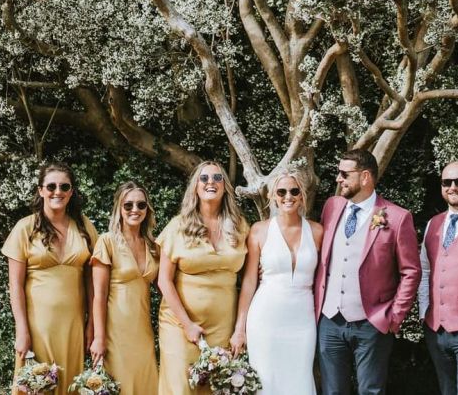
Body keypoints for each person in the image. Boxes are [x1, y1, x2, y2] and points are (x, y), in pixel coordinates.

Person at [314, 149, 421, 395]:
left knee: (371, 391)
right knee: (332, 391)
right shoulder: (332, 207)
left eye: (344, 174)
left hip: (371, 322)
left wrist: (394, 317)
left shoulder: (397, 217)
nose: (338, 179)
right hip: (330, 320)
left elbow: (411, 271)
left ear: (364, 177)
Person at [2, 163, 98, 395]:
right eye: (51, 186)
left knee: (69, 384)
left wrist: (92, 324)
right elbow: (15, 285)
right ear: (41, 190)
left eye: (64, 186)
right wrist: (21, 330)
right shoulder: (25, 228)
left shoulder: (84, 227)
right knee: (36, 386)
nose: (58, 191)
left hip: (73, 326)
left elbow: (93, 280)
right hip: (37, 326)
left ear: (71, 191)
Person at [156, 160, 249, 395]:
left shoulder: (239, 226)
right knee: (180, 387)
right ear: (195, 187)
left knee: (215, 388)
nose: (211, 182)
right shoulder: (178, 226)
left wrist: (240, 328)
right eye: (204, 178)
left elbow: (249, 279)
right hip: (179, 324)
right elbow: (163, 281)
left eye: (217, 178)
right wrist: (187, 325)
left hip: (223, 326)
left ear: (225, 186)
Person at [230, 166, 323, 394]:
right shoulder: (259, 231)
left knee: (299, 379)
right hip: (265, 320)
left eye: (294, 191)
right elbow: (250, 282)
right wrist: (239, 329)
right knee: (265, 380)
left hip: (303, 321)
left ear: (302, 195)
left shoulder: (318, 232)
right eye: (281, 192)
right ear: (272, 196)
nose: (288, 197)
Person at [90, 181, 158, 395]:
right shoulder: (107, 242)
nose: (135, 210)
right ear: (119, 208)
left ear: (147, 210)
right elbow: (98, 296)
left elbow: (166, 284)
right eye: (128, 205)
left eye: (141, 205)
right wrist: (99, 338)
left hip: (143, 331)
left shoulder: (153, 245)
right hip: (115, 332)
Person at [419, 160, 458, 395]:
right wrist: (423, 314)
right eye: (446, 182)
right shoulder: (433, 225)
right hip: (436, 329)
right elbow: (424, 271)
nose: (453, 187)